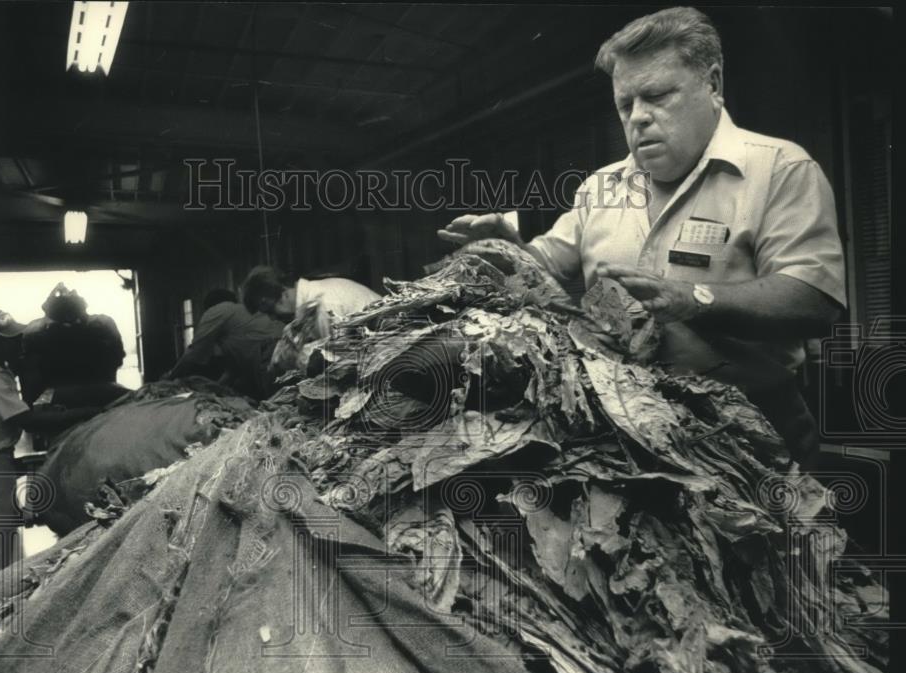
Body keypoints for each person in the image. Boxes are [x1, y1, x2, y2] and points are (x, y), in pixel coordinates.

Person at [437, 7, 845, 467]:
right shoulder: (601, 188)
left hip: (750, 436)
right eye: (625, 105)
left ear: (712, 84)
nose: (638, 119)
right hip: (621, 435)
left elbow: (815, 301)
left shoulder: (779, 170)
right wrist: (509, 248)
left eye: (656, 96)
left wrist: (694, 299)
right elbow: (545, 264)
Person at [0, 307, 99, 575]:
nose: (18, 344)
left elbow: (19, 412)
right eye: (10, 339)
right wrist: (88, 413)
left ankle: (0, 598)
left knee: (3, 533)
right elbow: (27, 422)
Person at [20, 283, 128, 408]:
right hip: (105, 398)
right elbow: (118, 358)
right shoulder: (103, 324)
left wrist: (51, 304)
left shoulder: (36, 332)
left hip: (59, 404)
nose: (70, 291)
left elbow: (31, 383)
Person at [168, 287, 285, 400]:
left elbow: (193, 352)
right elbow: (232, 371)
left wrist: (170, 378)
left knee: (278, 403)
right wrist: (215, 390)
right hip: (285, 345)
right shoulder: (242, 313)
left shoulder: (218, 310)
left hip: (271, 351)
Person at [241, 266, 381, 340]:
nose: (272, 318)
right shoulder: (311, 296)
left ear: (283, 295)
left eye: (270, 312)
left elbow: (340, 364)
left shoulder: (323, 307)